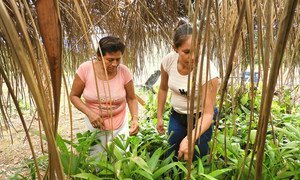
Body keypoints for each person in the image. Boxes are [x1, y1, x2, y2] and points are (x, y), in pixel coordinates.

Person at [156, 21, 219, 161]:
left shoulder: (208, 71)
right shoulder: (168, 61)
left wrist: (189, 139)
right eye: (187, 52)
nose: (193, 57)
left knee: (197, 157)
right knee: (172, 155)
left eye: (197, 50)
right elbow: (163, 88)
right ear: (175, 48)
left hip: (201, 119)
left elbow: (209, 114)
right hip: (177, 116)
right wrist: (159, 116)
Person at [70, 36, 139, 154]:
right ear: (99, 56)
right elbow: (74, 96)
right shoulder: (85, 69)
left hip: (119, 124)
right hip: (95, 124)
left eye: (118, 59)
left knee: (121, 159)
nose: (115, 64)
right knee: (96, 160)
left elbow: (132, 98)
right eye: (110, 60)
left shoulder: (124, 71)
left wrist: (135, 119)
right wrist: (90, 114)